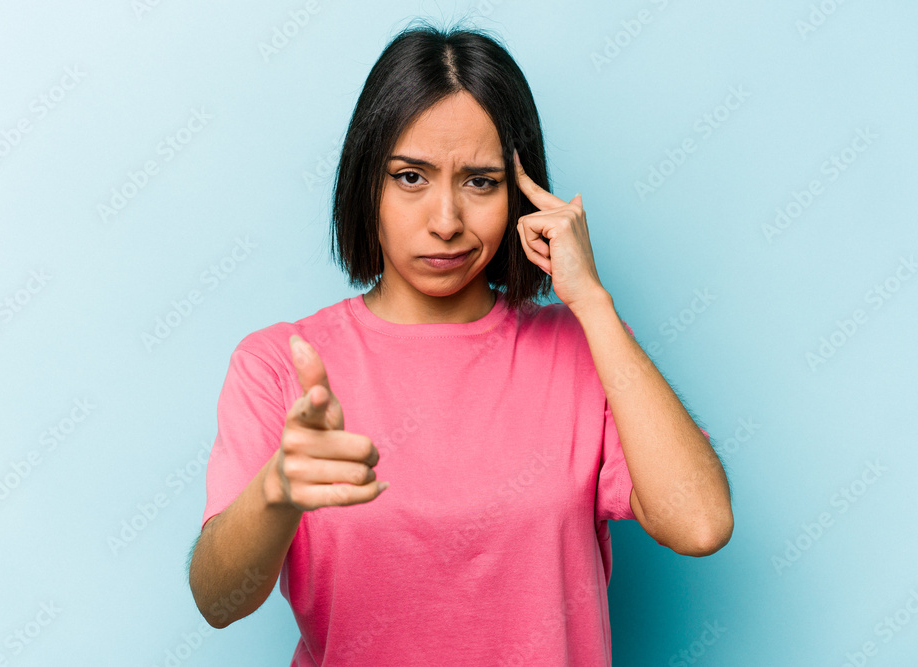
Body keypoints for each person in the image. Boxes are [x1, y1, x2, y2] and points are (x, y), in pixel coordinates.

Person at [187, 20, 733, 666]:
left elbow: (701, 521)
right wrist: (277, 488)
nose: (446, 222)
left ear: (522, 193)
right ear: (367, 183)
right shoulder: (279, 364)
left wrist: (592, 302)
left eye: (480, 182)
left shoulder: (587, 352)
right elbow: (219, 600)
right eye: (411, 178)